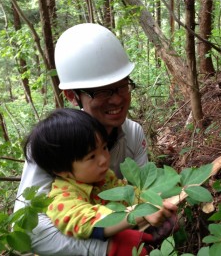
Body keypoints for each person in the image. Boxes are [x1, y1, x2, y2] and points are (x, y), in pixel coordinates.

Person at [14, 23, 177, 255]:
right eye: (101, 91)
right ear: (72, 96)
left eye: (122, 86)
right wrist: (111, 247)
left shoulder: (132, 133)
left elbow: (141, 190)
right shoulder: (54, 144)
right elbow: (28, 231)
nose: (118, 99)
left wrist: (155, 206)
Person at [23, 108, 175, 255]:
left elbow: (127, 193)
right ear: (61, 170)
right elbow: (89, 223)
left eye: (104, 148)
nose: (104, 159)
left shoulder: (104, 177)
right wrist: (141, 213)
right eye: (91, 157)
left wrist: (156, 199)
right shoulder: (61, 198)